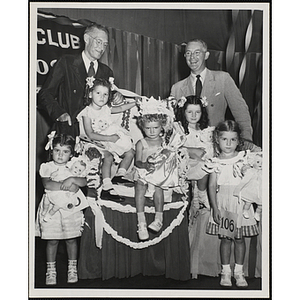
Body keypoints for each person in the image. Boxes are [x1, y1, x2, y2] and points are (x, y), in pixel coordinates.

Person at [38, 22, 123, 138]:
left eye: (105, 44)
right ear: (86, 39)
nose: (102, 48)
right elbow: (45, 93)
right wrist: (59, 113)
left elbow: (106, 103)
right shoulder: (66, 62)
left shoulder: (107, 72)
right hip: (68, 132)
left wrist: (116, 96)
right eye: (98, 42)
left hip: (97, 136)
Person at [205, 120, 259, 287]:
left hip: (240, 202)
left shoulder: (244, 159)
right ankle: (226, 272)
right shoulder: (214, 161)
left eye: (233, 140)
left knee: (239, 238)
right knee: (226, 239)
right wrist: (215, 208)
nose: (228, 144)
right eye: (224, 139)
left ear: (238, 140)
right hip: (223, 203)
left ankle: (239, 272)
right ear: (217, 139)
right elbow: (212, 185)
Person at [170, 38, 253, 141]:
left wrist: (246, 139)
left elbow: (240, 111)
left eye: (197, 53)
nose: (192, 57)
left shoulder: (223, 79)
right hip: (189, 146)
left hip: (216, 144)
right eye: (188, 53)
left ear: (206, 55)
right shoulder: (177, 88)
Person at [35, 133, 87, 285]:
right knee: (52, 240)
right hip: (51, 207)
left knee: (71, 239)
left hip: (70, 209)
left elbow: (82, 182)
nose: (60, 155)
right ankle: (51, 271)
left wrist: (72, 179)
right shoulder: (47, 167)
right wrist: (70, 186)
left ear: (72, 153)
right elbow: (47, 185)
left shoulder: (75, 166)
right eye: (57, 150)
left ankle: (72, 268)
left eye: (65, 152)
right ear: (51, 150)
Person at [76, 77, 136, 202]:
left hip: (109, 139)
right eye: (98, 93)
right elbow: (90, 134)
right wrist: (109, 138)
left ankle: (120, 175)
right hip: (94, 141)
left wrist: (135, 103)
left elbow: (120, 108)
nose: (102, 97)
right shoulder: (87, 113)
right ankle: (107, 188)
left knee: (130, 152)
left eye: (105, 94)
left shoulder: (105, 109)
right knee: (107, 157)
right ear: (90, 94)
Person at [41, 155, 88, 222]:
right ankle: (45, 210)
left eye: (80, 170)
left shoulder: (77, 177)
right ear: (71, 165)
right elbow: (53, 178)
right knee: (47, 198)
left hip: (64, 196)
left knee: (57, 205)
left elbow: (83, 183)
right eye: (75, 167)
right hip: (54, 191)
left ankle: (49, 215)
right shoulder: (65, 170)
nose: (76, 170)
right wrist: (54, 174)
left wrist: (72, 180)